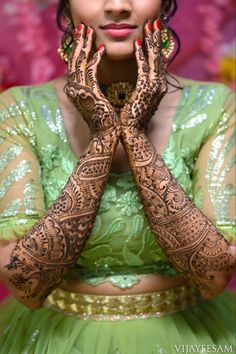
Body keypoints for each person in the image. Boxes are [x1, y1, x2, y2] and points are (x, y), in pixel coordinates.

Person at [0, 0, 235, 353]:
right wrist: (104, 137)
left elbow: (213, 275)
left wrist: (136, 137)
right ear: (65, 6)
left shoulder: (215, 106)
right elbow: (27, 285)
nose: (118, 6)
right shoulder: (20, 109)